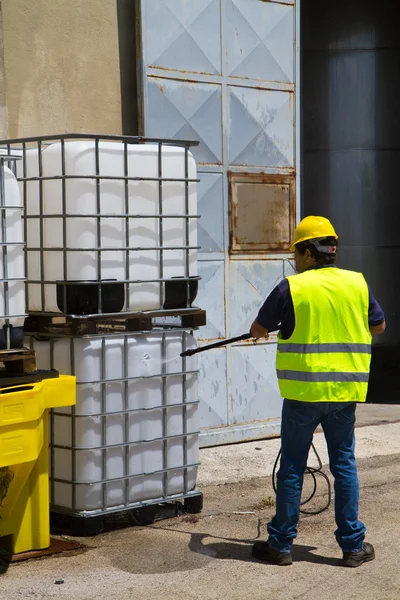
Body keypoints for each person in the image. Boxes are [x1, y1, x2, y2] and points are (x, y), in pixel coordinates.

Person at [250, 216, 386, 568]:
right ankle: (353, 546)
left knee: (293, 466)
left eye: (297, 251)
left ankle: (280, 545)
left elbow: (258, 329)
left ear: (309, 253)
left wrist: (274, 329)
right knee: (344, 465)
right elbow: (379, 324)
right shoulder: (357, 283)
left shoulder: (291, 288)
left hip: (302, 396)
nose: (295, 259)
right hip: (343, 393)